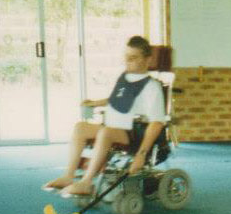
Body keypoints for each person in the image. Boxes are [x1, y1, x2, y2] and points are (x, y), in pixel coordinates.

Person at [43, 36, 166, 196]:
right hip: (112, 127)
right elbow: (115, 100)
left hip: (133, 134)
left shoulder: (152, 87)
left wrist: (141, 154)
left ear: (148, 60)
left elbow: (156, 123)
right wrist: (95, 103)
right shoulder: (125, 77)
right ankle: (68, 176)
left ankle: (86, 183)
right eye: (126, 57)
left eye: (133, 58)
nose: (127, 61)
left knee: (105, 132)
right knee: (80, 128)